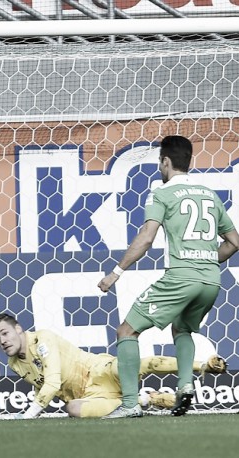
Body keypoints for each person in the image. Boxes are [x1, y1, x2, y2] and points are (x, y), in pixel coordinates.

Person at [97, 135, 239, 418]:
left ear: (165, 161)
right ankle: (185, 386)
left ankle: (129, 404)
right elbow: (234, 242)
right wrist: (208, 259)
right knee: (182, 328)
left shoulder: (161, 193)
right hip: (211, 281)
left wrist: (116, 272)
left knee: (126, 331)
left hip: (181, 277)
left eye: (159, 163)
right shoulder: (210, 195)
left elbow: (146, 237)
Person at [0, 313, 227, 418]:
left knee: (144, 363)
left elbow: (52, 380)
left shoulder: (43, 339)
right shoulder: (15, 363)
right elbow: (41, 384)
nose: (2, 341)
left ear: (18, 329)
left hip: (99, 370)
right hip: (88, 396)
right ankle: (148, 400)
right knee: (72, 410)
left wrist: (30, 413)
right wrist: (34, 405)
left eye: (4, 333)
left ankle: (203, 365)